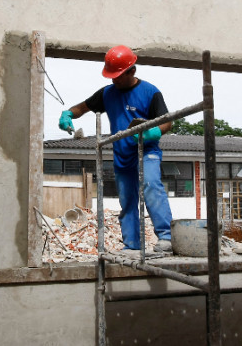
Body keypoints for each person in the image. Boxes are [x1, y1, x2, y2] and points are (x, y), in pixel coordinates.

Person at [59, 45, 174, 255]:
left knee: (151, 185)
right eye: (111, 75)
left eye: (118, 75)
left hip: (146, 152)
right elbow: (82, 108)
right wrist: (67, 114)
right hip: (122, 157)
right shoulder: (107, 94)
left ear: (132, 71)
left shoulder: (150, 92)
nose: (114, 80)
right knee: (128, 201)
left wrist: (152, 133)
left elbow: (167, 123)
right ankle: (132, 245)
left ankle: (166, 238)